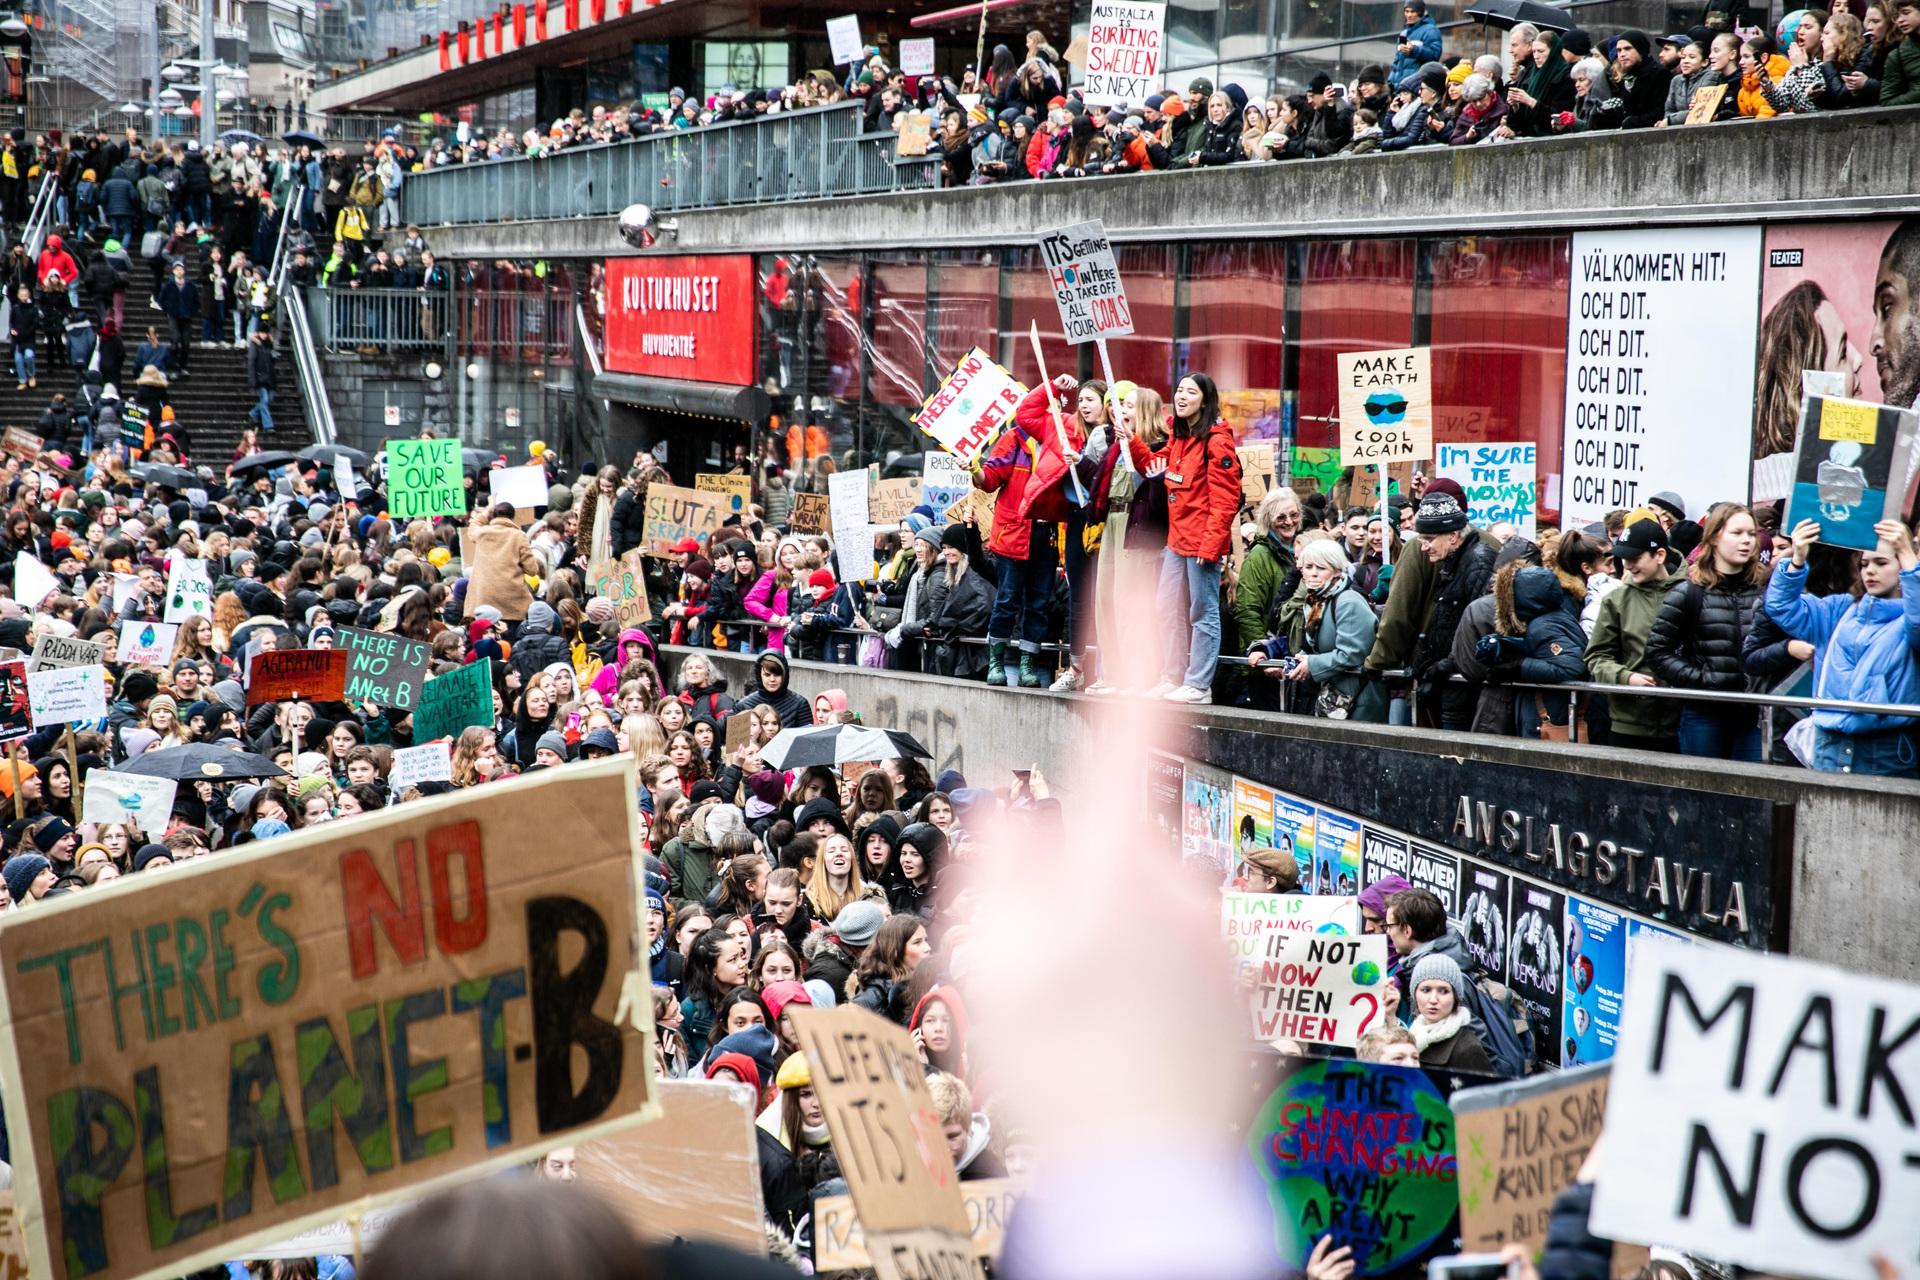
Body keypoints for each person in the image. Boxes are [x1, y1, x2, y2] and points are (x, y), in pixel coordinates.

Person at [1766, 517, 1920, 776]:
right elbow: (1781, 608)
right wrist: (1796, 561)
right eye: (1864, 564)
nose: (1870, 570)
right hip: (1829, 742)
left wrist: (1908, 557)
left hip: (1887, 748)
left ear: (1901, 565)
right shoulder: (1841, 609)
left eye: (1881, 563)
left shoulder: (1909, 616)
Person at [1135, 373, 1242, 703]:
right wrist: (1131, 440)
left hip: (1201, 545)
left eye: (1190, 392)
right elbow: (1153, 466)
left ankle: (1198, 684)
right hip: (1177, 542)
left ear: (1205, 401)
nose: (1181, 396)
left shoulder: (1217, 441)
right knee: (1166, 607)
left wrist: (1210, 546)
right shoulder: (1179, 438)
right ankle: (1172, 676)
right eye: (1179, 390)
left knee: (1202, 611)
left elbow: (1225, 501)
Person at [977, 374, 1082, 687]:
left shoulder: (1067, 439)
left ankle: (1027, 665)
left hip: (1046, 533)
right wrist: (975, 471)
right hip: (1013, 532)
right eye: (1048, 403)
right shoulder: (1015, 439)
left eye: (1058, 405)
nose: (1052, 410)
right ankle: (995, 662)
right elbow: (991, 478)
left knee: (1039, 602)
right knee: (1007, 599)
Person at [1647, 504, 1767, 761]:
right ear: (1714, 537)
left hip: (1753, 714)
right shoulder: (1688, 592)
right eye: (1736, 533)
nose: (1746, 540)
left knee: (1755, 794)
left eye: (1751, 534)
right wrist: (1701, 680)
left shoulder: (1765, 591)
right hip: (1704, 714)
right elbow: (1657, 652)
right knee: (1704, 795)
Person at [1585, 520, 1685, 753]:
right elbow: (1596, 657)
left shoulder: (1690, 592)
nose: (1627, 565)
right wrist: (1625, 678)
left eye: (1635, 558)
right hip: (1629, 723)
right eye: (1623, 558)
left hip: (1684, 719)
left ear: (1659, 555)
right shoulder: (1616, 600)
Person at [1407, 953, 1497, 1073]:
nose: (1433, 1000)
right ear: (1414, 994)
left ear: (1456, 997)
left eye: (1443, 991)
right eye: (1426, 990)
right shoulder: (1415, 1030)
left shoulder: (1468, 1048)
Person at [464, 502, 541, 622]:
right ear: (512, 517)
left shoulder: (482, 533)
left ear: (493, 516)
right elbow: (532, 570)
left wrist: (487, 509)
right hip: (512, 601)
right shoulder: (519, 536)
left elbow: (474, 524)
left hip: (483, 598)